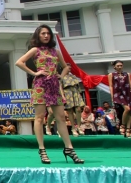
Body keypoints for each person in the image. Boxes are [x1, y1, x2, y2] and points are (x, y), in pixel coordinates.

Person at [15, 24, 84, 164]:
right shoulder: (35, 50)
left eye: (48, 33)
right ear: (38, 36)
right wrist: (34, 73)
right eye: (43, 33)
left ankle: (69, 148)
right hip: (40, 85)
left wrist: (61, 76)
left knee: (61, 118)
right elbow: (19, 62)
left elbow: (65, 67)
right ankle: (42, 149)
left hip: (54, 86)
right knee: (40, 117)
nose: (46, 36)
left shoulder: (55, 51)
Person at [108, 60, 131, 138]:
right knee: (127, 109)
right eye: (118, 66)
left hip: (128, 94)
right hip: (118, 94)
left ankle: (128, 130)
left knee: (129, 112)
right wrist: (112, 96)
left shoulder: (127, 74)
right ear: (114, 67)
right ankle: (122, 125)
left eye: (121, 65)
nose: (119, 67)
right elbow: (111, 86)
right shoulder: (111, 74)